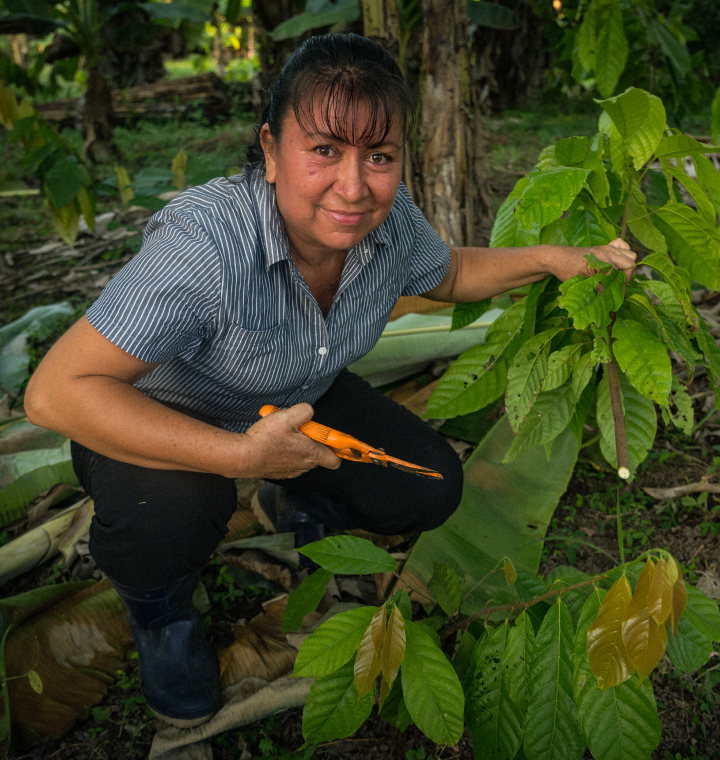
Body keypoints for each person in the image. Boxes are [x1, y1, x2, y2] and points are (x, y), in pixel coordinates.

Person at [25, 33, 636, 728]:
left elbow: (452, 275)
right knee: (169, 513)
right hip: (151, 411)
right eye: (324, 151)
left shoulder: (389, 221)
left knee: (426, 484)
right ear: (269, 151)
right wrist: (241, 457)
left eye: (379, 156)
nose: (354, 186)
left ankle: (299, 501)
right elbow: (54, 393)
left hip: (290, 400)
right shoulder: (205, 247)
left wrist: (554, 257)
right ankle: (162, 614)